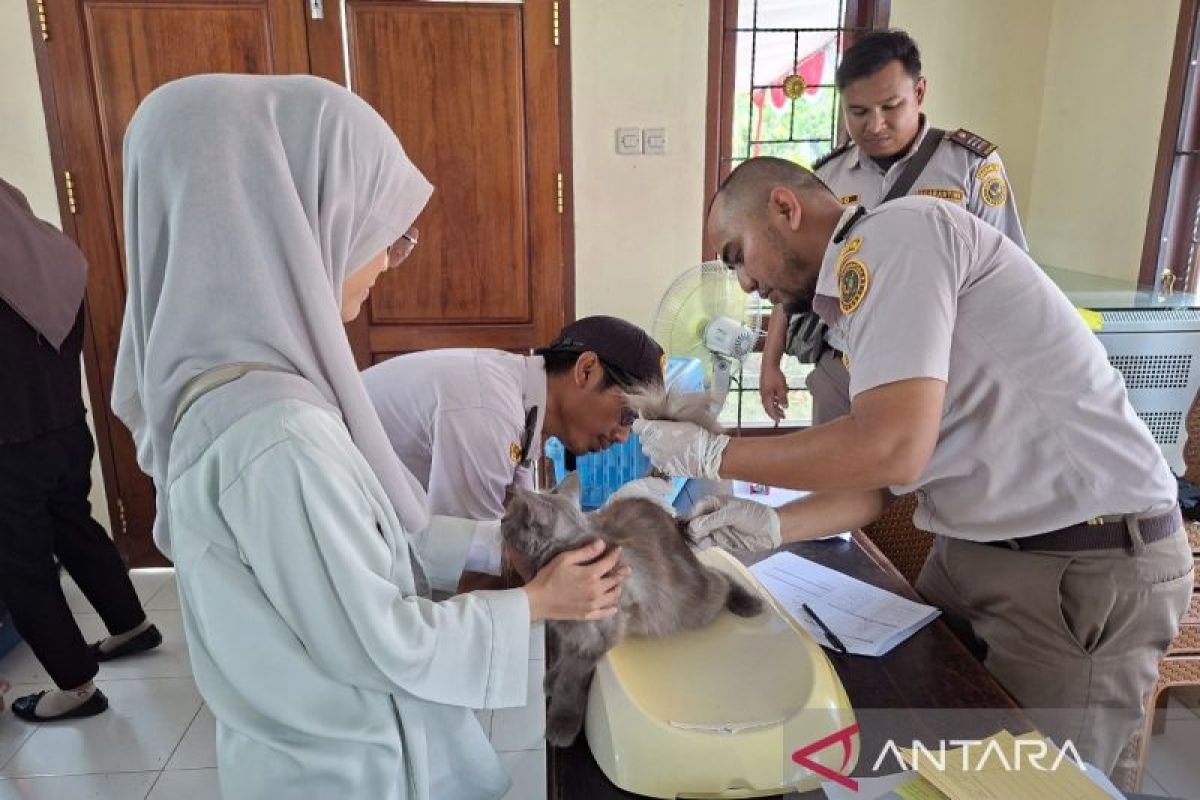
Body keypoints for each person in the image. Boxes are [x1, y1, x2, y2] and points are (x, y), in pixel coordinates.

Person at [111, 74, 627, 800]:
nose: (388, 259)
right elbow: (382, 640)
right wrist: (537, 602)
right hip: (350, 774)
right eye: (383, 233)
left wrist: (492, 545)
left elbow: (365, 548)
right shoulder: (275, 438)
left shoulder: (239, 392)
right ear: (287, 215)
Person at [633, 156, 1194, 780]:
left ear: (785, 209)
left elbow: (893, 448)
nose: (742, 285)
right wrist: (770, 524)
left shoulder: (898, 236)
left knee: (1037, 783)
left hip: (1082, 561)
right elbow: (873, 486)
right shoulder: (848, 310)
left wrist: (716, 453)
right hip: (972, 548)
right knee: (920, 742)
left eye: (736, 255)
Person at [759, 29, 1026, 426]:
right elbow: (797, 280)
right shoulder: (826, 179)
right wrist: (771, 362)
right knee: (841, 481)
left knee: (923, 485)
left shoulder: (970, 168)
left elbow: (1009, 282)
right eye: (859, 112)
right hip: (845, 367)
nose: (876, 125)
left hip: (943, 374)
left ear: (919, 92)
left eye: (891, 106)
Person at [0, 178, 161, 723]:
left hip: (8, 447)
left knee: (21, 565)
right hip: (67, 429)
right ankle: (130, 624)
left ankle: (74, 687)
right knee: (75, 524)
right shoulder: (53, 256)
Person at [363, 316, 663, 571]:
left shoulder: (521, 400)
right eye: (627, 415)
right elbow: (461, 562)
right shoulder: (489, 410)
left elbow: (513, 525)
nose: (623, 437)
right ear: (586, 370)